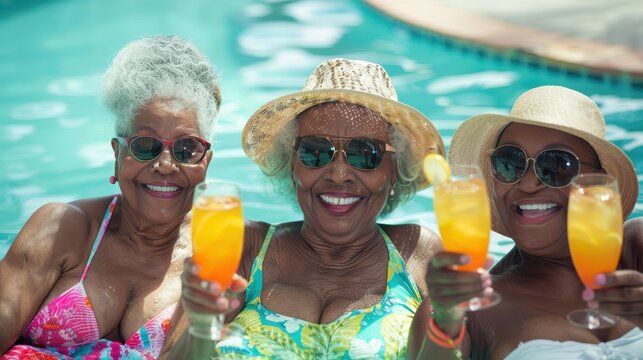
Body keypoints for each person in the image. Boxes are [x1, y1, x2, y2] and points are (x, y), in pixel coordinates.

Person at [160, 58, 446, 359]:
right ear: (292, 163)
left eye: (365, 154)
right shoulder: (241, 248)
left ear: (394, 171)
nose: (338, 174)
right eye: (316, 152)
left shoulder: (418, 253)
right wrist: (202, 328)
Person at [0, 35, 221, 359]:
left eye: (187, 149)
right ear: (118, 155)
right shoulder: (61, 230)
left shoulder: (218, 253)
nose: (164, 165)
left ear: (206, 162)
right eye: (145, 146)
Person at [411, 86, 643, 359]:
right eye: (510, 162)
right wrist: (446, 324)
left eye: (557, 165)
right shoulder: (460, 309)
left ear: (600, 182)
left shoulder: (635, 248)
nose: (528, 182)